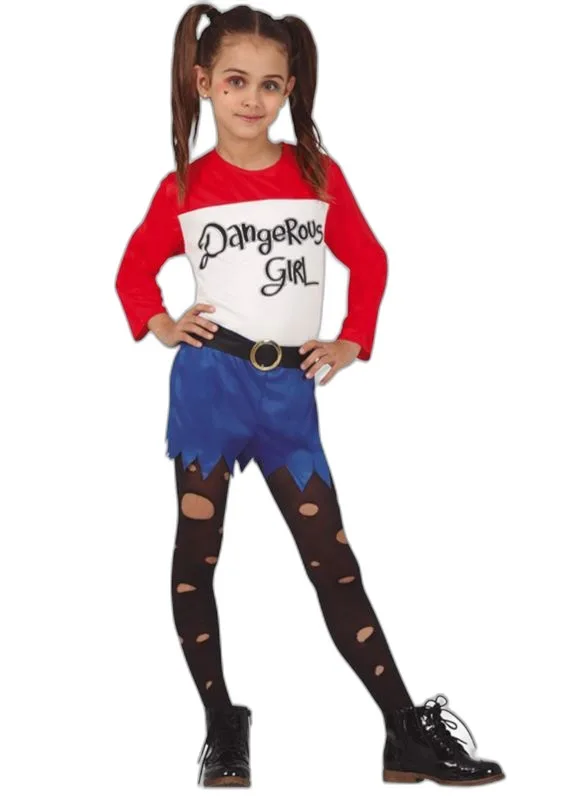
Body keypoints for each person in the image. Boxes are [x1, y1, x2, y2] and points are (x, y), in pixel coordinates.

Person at [115, 3, 505, 788]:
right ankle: (222, 723)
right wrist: (160, 324)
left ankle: (403, 731)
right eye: (235, 81)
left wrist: (354, 338)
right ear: (204, 83)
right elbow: (132, 272)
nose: (252, 99)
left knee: (334, 563)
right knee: (197, 556)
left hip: (288, 394)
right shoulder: (185, 187)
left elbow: (371, 258)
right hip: (210, 389)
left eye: (269, 84)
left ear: (290, 88)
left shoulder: (314, 175)